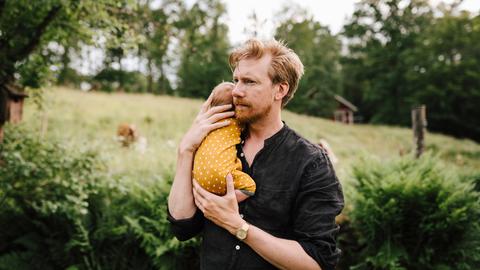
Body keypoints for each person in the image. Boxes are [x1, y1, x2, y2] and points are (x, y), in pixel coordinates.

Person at [167, 38, 344, 270]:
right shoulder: (217, 143)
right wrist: (186, 150)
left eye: (249, 82)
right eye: (236, 80)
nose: (236, 91)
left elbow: (316, 262)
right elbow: (182, 226)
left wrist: (237, 226)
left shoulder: (311, 163)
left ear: (280, 89)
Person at [192, 81, 256, 202]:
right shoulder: (237, 123)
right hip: (222, 177)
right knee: (250, 187)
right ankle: (224, 202)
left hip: (198, 178)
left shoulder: (207, 125)